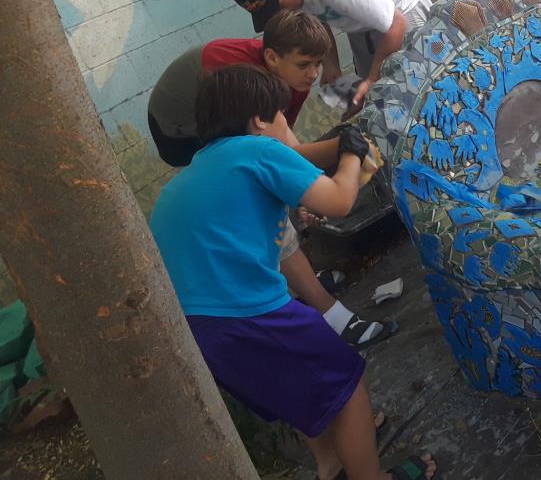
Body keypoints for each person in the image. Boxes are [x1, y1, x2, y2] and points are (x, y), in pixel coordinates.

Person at [150, 65, 436, 480]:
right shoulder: (257, 150)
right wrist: (353, 156)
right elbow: (339, 201)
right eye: (283, 115)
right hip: (247, 313)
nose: (288, 123)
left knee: (301, 393)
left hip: (196, 331)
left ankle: (332, 465)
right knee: (349, 387)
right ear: (260, 120)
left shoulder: (191, 175)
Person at [147, 10, 392, 348]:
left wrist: (343, 148)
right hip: (176, 130)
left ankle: (297, 283)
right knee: (268, 203)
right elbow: (287, 161)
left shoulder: (285, 79)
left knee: (271, 193)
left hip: (196, 313)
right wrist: (348, 154)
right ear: (272, 58)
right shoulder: (233, 78)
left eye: (319, 63)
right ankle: (327, 310)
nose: (315, 74)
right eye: (305, 64)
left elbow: (286, 153)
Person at [231, 0, 432, 118]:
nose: (283, 11)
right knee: (376, 98)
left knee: (419, 88)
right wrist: (330, 64)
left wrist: (372, 79)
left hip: (401, 1)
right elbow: (314, 17)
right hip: (361, 18)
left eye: (279, 5)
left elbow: (396, 25)